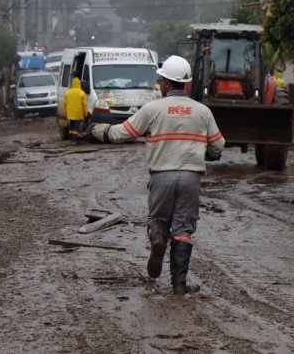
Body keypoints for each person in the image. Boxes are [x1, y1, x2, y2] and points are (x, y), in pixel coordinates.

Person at [90, 55, 225, 295]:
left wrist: (99, 130)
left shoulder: (152, 109)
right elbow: (217, 145)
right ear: (185, 84)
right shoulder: (203, 111)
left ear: (165, 82)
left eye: (160, 80)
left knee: (157, 219)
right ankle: (179, 285)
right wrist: (209, 154)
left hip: (162, 175)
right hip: (191, 178)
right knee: (183, 230)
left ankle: (158, 240)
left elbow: (123, 133)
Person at [64, 71, 88, 141]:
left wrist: (67, 111)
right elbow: (85, 105)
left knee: (71, 126)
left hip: (70, 113)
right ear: (79, 83)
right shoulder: (81, 92)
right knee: (76, 127)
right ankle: (75, 140)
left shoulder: (68, 92)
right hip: (78, 114)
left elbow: (65, 103)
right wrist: (85, 114)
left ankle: (71, 139)